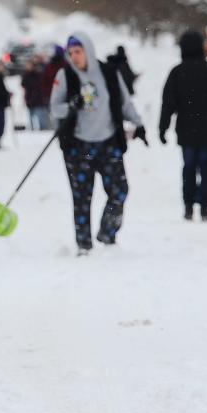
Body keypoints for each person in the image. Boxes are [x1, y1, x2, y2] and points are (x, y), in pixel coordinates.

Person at [49, 32, 147, 254]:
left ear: (88, 51)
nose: (74, 57)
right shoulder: (65, 76)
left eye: (78, 52)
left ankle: (107, 233)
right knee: (82, 196)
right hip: (78, 146)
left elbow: (124, 102)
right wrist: (71, 106)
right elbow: (54, 108)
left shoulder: (109, 73)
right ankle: (83, 244)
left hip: (108, 142)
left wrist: (138, 124)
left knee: (119, 191)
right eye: (71, 53)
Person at [159, 29, 207, 222]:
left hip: (186, 130)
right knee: (206, 167)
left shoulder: (177, 73)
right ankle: (204, 207)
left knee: (189, 167)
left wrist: (163, 127)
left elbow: (168, 103)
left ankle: (188, 205)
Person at [21, 55, 51, 130]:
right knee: (31, 119)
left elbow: (40, 84)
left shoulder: (39, 72)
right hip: (30, 99)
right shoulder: (26, 75)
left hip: (39, 100)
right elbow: (24, 84)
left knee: (42, 120)